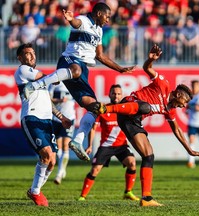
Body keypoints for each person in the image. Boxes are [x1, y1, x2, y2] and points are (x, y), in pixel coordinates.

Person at [94, 44, 199, 207]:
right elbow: (147, 68)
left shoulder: (170, 110)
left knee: (149, 155)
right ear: (179, 94)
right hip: (128, 105)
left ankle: (146, 198)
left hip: (132, 121)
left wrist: (189, 149)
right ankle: (105, 108)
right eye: (184, 102)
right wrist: (150, 59)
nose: (184, 106)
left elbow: (177, 130)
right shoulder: (164, 84)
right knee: (145, 107)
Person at [22, 2, 136, 162]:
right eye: (107, 16)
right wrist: (70, 19)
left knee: (95, 107)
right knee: (76, 70)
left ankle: (77, 141)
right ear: (98, 13)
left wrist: (120, 69)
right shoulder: (83, 20)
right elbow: (77, 22)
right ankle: (36, 85)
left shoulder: (99, 30)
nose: (108, 20)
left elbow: (101, 56)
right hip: (69, 61)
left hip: (82, 71)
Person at [14, 43, 72, 206]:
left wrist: (61, 117)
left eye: (33, 53)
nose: (32, 56)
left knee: (52, 161)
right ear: (20, 58)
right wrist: (62, 74)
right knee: (46, 154)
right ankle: (35, 193)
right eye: (27, 53)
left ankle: (35, 191)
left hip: (47, 121)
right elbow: (44, 77)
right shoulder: (22, 70)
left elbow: (47, 102)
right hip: (32, 118)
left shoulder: (41, 84)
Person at [78, 84, 139, 201]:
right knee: (95, 170)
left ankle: (128, 192)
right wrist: (89, 145)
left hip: (122, 145)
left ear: (122, 95)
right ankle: (82, 196)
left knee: (132, 163)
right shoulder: (103, 109)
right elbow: (93, 128)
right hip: (106, 146)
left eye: (119, 94)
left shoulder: (126, 109)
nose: (116, 96)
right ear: (109, 94)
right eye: (114, 93)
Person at [49, 82, 76, 185]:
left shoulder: (73, 84)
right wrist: (59, 100)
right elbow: (49, 99)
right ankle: (62, 168)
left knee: (66, 145)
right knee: (58, 146)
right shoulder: (54, 84)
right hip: (57, 118)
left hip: (70, 118)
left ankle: (60, 173)